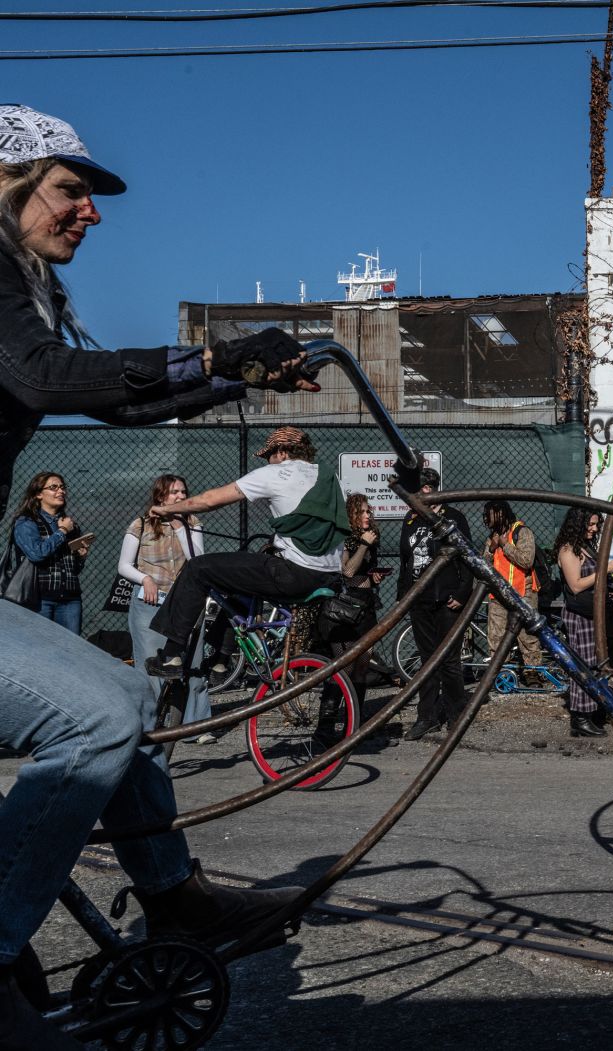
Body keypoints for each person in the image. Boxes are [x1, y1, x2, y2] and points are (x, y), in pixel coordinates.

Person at [0, 103, 313, 1050]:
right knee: (92, 717)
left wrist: (237, 377)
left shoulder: (29, 287)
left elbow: (112, 402)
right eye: (70, 189)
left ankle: (172, 897)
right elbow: (46, 380)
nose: (88, 211)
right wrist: (216, 355)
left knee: (128, 696)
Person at [145, 426, 348, 678]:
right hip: (329, 575)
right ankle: (221, 661)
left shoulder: (277, 473)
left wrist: (166, 510)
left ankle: (172, 655)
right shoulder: (330, 476)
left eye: (269, 455)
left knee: (198, 569)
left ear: (282, 452)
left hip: (293, 574)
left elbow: (210, 499)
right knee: (240, 582)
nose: (268, 461)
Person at [120, 473, 216, 743]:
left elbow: (196, 559)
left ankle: (197, 727)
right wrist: (145, 578)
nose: (181, 497)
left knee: (193, 666)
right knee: (151, 668)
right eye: (174, 493)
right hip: (149, 604)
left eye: (184, 493)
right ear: (161, 496)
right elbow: (124, 565)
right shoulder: (140, 524)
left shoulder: (192, 522)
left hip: (185, 605)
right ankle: (152, 727)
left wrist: (177, 524)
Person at [398, 468, 473, 741]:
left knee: (449, 661)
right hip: (420, 599)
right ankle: (426, 716)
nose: (414, 496)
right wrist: (403, 596)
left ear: (429, 489)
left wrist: (462, 593)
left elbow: (467, 557)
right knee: (427, 660)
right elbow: (405, 560)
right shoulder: (410, 519)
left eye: (418, 490)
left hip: (447, 600)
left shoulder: (453, 518)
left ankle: (457, 715)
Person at [554, 508, 613, 737]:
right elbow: (575, 585)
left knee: (598, 664)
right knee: (583, 666)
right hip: (580, 617)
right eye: (591, 524)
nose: (594, 529)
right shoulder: (567, 549)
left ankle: (594, 711)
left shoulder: (586, 547)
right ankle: (580, 718)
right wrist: (605, 569)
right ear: (579, 523)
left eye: (596, 524)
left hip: (595, 614)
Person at [315, 491, 390, 702]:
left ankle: (355, 717)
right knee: (344, 666)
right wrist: (364, 545)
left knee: (363, 664)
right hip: (345, 607)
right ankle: (327, 724)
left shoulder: (370, 538)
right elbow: (347, 571)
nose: (367, 515)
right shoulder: (345, 537)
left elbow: (362, 572)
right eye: (361, 512)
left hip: (366, 603)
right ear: (352, 515)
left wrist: (375, 577)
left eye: (368, 511)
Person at [11, 469, 91, 630]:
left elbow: (73, 569)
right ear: (38, 494)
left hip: (70, 599)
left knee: (71, 649)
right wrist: (61, 532)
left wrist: (80, 557)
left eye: (62, 487)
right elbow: (37, 554)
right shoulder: (27, 522)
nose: (61, 491)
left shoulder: (69, 525)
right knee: (40, 650)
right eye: (53, 487)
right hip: (40, 599)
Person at [482, 499, 542, 671]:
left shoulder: (522, 532)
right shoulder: (491, 537)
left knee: (527, 635)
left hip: (523, 592)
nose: (487, 518)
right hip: (498, 594)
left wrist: (505, 545)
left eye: (490, 514)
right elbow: (483, 565)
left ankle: (534, 672)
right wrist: (492, 548)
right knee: (496, 636)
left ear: (501, 513)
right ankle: (501, 672)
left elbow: (526, 560)